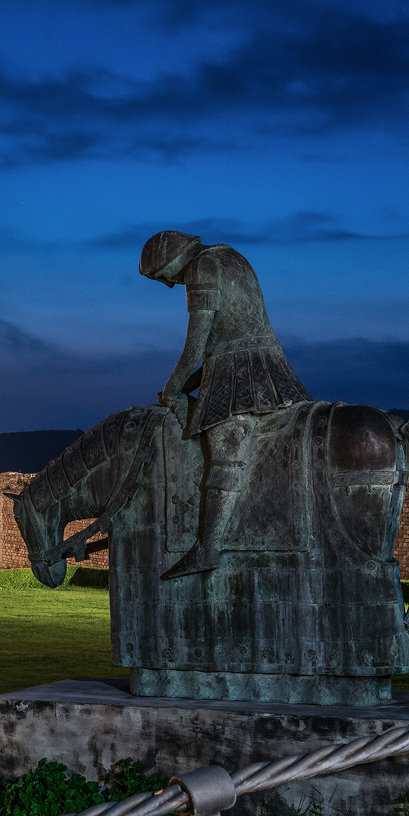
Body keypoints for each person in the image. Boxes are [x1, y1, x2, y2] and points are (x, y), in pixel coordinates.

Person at [139, 230, 312, 579]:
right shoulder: (230, 256)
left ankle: (207, 548)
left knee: (225, 451)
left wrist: (172, 391)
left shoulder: (202, 267)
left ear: (173, 259)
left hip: (243, 375)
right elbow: (225, 347)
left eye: (161, 276)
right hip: (261, 363)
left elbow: (194, 349)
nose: (169, 284)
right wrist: (178, 386)